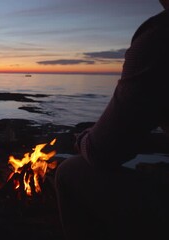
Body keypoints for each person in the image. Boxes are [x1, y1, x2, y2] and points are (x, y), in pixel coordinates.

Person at [55, 1, 169, 239]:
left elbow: (102, 152)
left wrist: (83, 139)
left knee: (69, 171)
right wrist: (145, 142)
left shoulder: (158, 39)